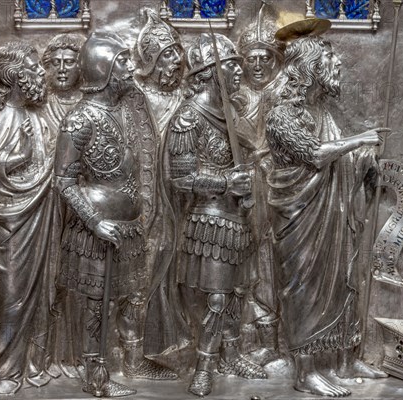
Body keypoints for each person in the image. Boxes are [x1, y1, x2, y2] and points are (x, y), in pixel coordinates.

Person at [53, 31, 177, 397]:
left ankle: (132, 360)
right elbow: (64, 180)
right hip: (96, 230)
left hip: (130, 227)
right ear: (103, 68)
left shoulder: (128, 108)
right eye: (123, 60)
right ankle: (96, 376)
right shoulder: (79, 120)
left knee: (131, 296)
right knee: (97, 305)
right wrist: (95, 220)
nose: (131, 66)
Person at [265, 35, 388, 397]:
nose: (337, 69)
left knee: (341, 282)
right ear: (310, 71)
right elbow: (315, 155)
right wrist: (358, 140)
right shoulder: (282, 115)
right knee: (305, 289)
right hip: (300, 220)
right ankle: (306, 371)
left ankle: (344, 359)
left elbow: (338, 160)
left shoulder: (325, 113)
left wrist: (365, 161)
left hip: (332, 215)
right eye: (330, 63)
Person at [166, 32, 266, 397]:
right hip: (209, 220)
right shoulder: (188, 119)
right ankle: (204, 366)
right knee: (216, 297)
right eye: (232, 66)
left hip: (239, 218)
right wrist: (226, 182)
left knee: (238, 291)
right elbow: (181, 178)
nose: (240, 72)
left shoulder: (232, 112)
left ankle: (232, 353)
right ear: (210, 72)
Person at [0, 41, 56, 395]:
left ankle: (26, 364)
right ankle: (1, 371)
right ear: (17, 78)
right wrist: (24, 155)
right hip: (13, 220)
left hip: (37, 214)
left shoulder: (35, 116)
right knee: (12, 297)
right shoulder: (8, 117)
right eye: (34, 70)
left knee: (33, 295)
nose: (41, 74)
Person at [233, 6, 285, 366]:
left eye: (264, 57)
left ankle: (272, 339)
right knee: (243, 264)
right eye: (250, 58)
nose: (257, 65)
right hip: (240, 193)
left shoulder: (285, 95)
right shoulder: (234, 98)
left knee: (270, 264)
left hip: (279, 192)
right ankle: (242, 338)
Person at [41, 32, 86, 380]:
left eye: (69, 63)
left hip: (82, 206)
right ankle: (44, 358)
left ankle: (75, 355)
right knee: (49, 279)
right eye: (54, 63)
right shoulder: (39, 107)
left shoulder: (87, 105)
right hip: (43, 211)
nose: (61, 69)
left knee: (79, 280)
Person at [132, 8, 185, 136]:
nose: (178, 59)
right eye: (168, 54)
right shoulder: (136, 98)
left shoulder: (183, 95)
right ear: (151, 64)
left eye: (178, 52)